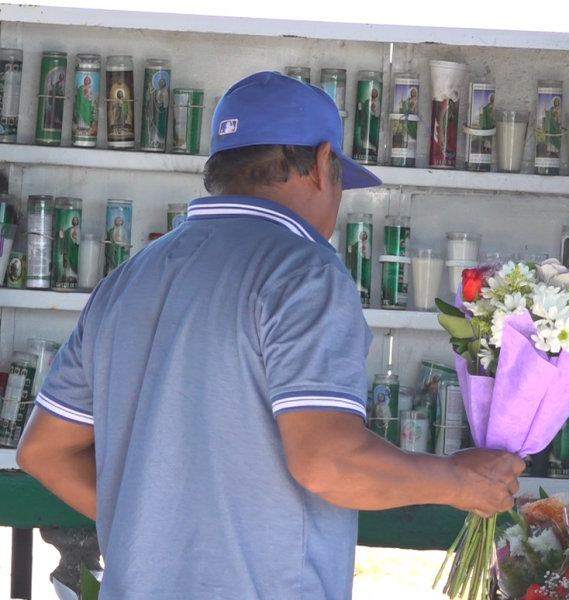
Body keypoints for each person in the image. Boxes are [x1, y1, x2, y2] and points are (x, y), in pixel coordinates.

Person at [16, 71, 524, 600]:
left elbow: (44, 452)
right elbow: (328, 462)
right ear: (324, 163)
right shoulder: (304, 271)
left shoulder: (128, 278)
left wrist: (163, 529)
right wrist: (459, 481)